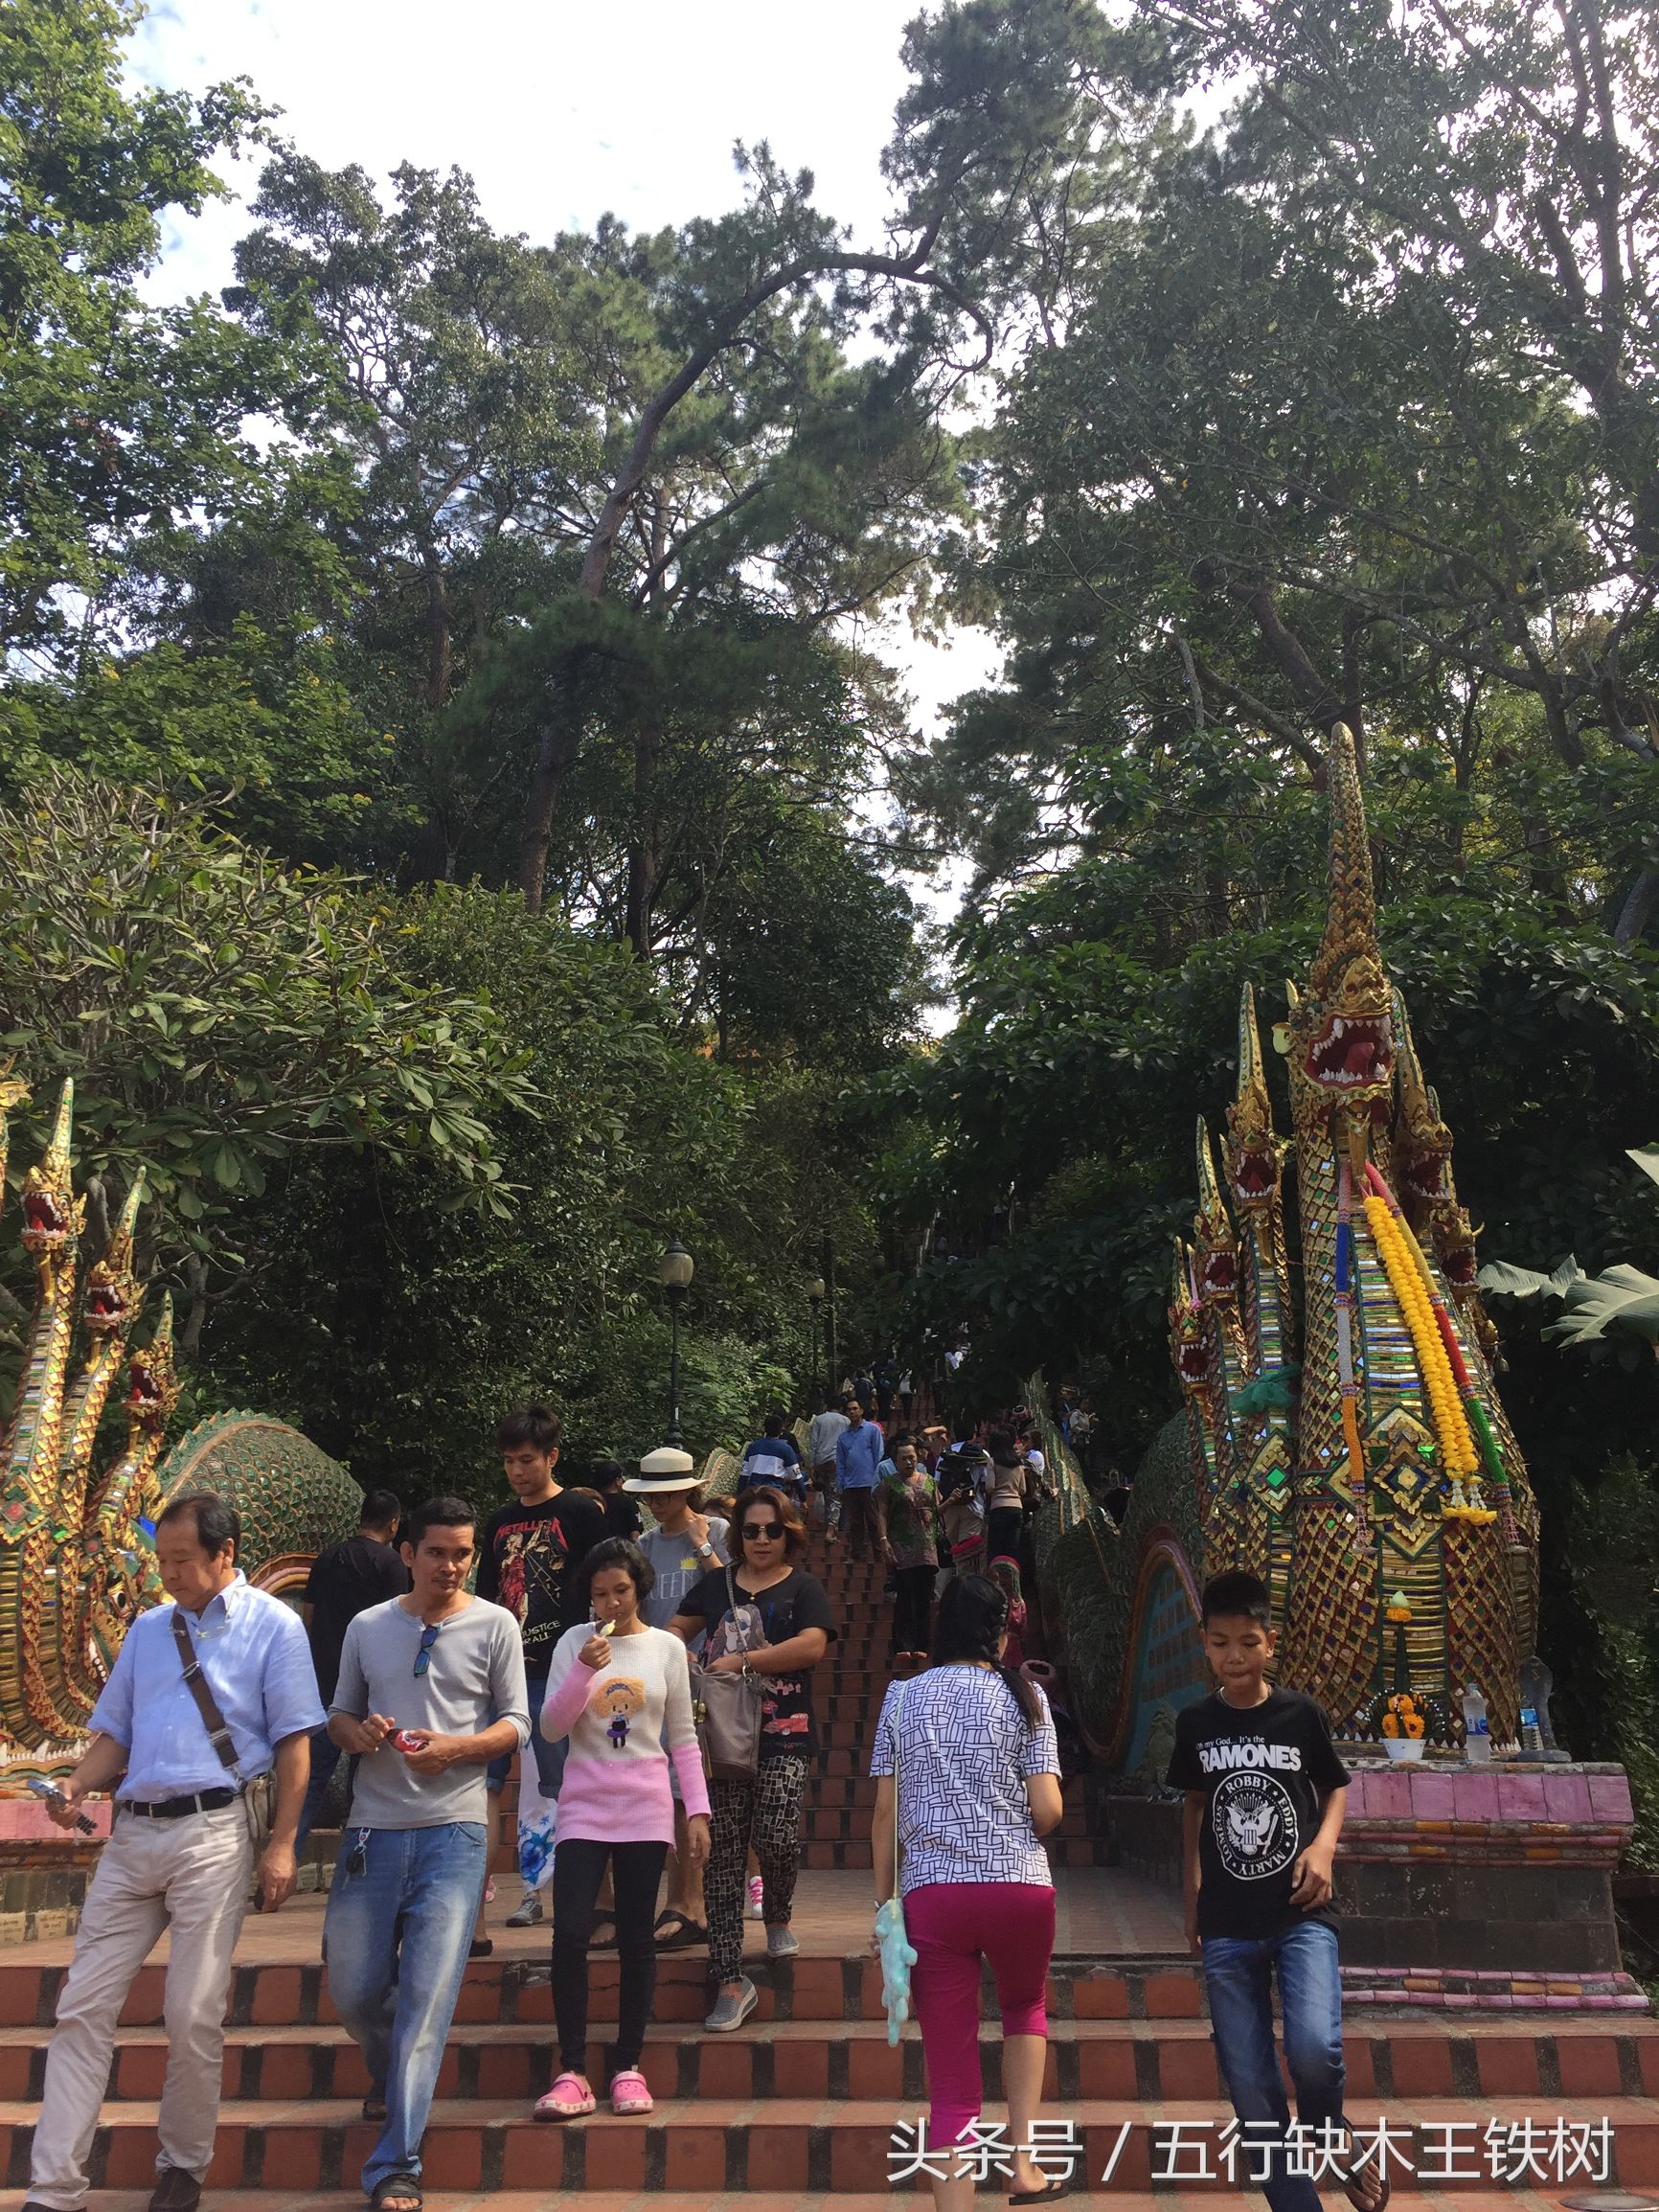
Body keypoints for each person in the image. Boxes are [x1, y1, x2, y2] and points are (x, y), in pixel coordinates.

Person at [24, 1493, 322, 2212]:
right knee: (82, 2005)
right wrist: (75, 1785)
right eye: (162, 1561)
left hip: (214, 1832)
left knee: (192, 2011)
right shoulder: (150, 1630)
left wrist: (281, 1844)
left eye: (181, 1561)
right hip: (133, 1833)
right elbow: (114, 1735)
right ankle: (54, 2188)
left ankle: (182, 2165)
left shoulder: (274, 1626)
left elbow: (294, 1745)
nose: (169, 1575)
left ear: (225, 1552)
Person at [324, 1494, 529, 2212]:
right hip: (372, 1831)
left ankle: (396, 2165)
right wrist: (357, 1734)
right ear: (407, 1551)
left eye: (463, 1552)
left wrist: (459, 1750)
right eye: (437, 1550)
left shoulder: (496, 1623)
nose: (450, 1564)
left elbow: (516, 1723)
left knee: (427, 1996)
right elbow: (339, 1712)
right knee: (352, 1989)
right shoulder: (367, 1626)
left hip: (456, 1832)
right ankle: (389, 2072)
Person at [1167, 1569, 1385, 2212]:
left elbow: (1336, 1785)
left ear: (1270, 1642)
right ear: (1204, 1645)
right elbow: (1195, 1807)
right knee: (1249, 2081)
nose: (1233, 1656)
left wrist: (1323, 1847)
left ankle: (1330, 2135)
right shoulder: (1196, 1722)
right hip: (1227, 1925)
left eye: (1247, 1641)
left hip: (1301, 1914)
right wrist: (1191, 1898)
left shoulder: (1300, 1714)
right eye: (1219, 1642)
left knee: (1315, 2047)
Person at [869, 1575, 1063, 2212]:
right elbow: (1049, 1808)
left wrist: (884, 1906)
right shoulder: (1026, 1694)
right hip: (1020, 1891)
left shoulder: (900, 1698)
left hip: (935, 1896)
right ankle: (1025, 2166)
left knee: (950, 2084)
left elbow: (883, 1817)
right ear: (1002, 1633)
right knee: (1023, 2006)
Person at [534, 1538, 712, 2118]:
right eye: (599, 1595)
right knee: (572, 1932)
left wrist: (698, 1810)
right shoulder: (572, 1644)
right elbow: (554, 1728)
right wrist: (582, 1671)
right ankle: (572, 2070)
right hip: (584, 1804)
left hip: (646, 1805)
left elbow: (682, 1736)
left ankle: (628, 2066)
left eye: (621, 1592)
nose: (610, 1604)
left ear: (639, 1590)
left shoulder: (665, 1648)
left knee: (637, 1938)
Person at [668, 1486, 836, 2030]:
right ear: (737, 1535)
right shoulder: (714, 1586)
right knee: (721, 1856)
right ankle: (729, 1978)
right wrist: (688, 1658)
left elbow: (812, 1645)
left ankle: (779, 1914)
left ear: (789, 1531)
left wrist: (742, 1658)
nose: (761, 1539)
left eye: (771, 1529)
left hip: (785, 1733)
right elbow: (675, 1632)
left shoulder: (804, 1587)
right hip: (721, 1740)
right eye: (750, 1530)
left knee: (778, 1834)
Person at [477, 1404, 607, 1928]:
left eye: (527, 1459)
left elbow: (604, 1588)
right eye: (508, 1461)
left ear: (553, 1456)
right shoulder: (498, 1522)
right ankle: (511, 1892)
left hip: (558, 1672)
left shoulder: (579, 1513)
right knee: (484, 1783)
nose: (517, 1471)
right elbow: (485, 1599)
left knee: (558, 1785)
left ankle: (566, 1898)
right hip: (500, 1672)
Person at [625, 1449, 730, 1949]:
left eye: (667, 1492)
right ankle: (681, 1901)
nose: (658, 1502)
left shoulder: (720, 1531)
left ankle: (691, 1902)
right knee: (665, 1789)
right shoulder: (641, 1546)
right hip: (659, 1681)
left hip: (710, 1678)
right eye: (651, 1495)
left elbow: (733, 1598)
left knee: (693, 1789)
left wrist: (704, 1547)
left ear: (689, 1488)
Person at [297, 1489, 409, 1846]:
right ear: (393, 1524)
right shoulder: (390, 1565)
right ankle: (357, 1858)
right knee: (365, 1779)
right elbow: (400, 1622)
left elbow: (309, 1616)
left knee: (312, 1775)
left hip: (326, 1678)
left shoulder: (328, 1557)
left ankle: (288, 1850)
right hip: (372, 1683)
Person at [876, 1439, 939, 1667]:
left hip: (927, 1546)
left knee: (924, 1597)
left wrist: (950, 1502)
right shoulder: (888, 1485)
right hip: (902, 1546)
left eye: (911, 1457)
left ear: (918, 1457)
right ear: (895, 1462)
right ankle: (902, 1645)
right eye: (903, 1458)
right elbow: (881, 1514)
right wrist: (883, 1540)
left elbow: (935, 1510)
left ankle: (922, 1645)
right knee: (905, 1596)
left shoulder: (929, 1481)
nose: (908, 1461)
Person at [835, 1398, 883, 1562]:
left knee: (873, 1520)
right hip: (850, 1484)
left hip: (869, 1482)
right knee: (855, 1522)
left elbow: (879, 1455)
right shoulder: (843, 1437)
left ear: (862, 1410)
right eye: (849, 1409)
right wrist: (840, 1484)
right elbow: (840, 1462)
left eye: (855, 1408)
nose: (853, 1412)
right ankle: (857, 1554)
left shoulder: (872, 1430)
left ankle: (879, 1552)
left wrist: (878, 1481)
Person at [738, 1410, 807, 1504]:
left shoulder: (753, 1447)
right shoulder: (786, 1448)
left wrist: (739, 1496)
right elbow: (796, 1475)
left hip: (754, 1492)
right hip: (775, 1493)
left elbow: (744, 1474)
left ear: (764, 1429)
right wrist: (803, 1498)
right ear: (780, 1429)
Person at [983, 1427, 1029, 1567]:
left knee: (996, 1550)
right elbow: (1023, 1489)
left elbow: (990, 1487)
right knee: (1012, 1550)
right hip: (1016, 1509)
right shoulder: (1018, 1463)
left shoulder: (992, 1462)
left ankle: (996, 1583)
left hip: (998, 1508)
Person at [807, 1395, 849, 1537]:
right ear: (841, 1407)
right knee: (836, 1493)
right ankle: (832, 1527)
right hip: (838, 1460)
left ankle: (829, 1523)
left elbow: (813, 1444)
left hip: (821, 1460)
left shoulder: (819, 1420)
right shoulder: (846, 1420)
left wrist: (811, 1465)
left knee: (826, 1492)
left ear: (826, 1405)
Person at [987, 1557, 1028, 1671]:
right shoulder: (991, 1600)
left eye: (1006, 1576)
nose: (1001, 1580)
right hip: (995, 1645)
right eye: (997, 1577)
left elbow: (1023, 1627)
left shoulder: (1018, 1603)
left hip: (1015, 1647)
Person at [588, 1459, 644, 1543]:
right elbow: (635, 1536)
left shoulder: (591, 1502)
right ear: (617, 1481)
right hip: (622, 1552)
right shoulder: (628, 1503)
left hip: (596, 1552)